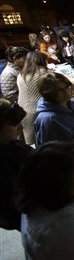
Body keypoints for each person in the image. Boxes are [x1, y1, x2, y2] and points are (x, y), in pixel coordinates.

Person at [34, 72, 74, 172]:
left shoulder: (70, 104)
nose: (67, 92)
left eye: (67, 87)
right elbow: (55, 158)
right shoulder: (48, 121)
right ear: (48, 93)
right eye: (60, 90)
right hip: (73, 172)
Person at [0, 98, 32, 231]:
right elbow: (16, 196)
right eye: (14, 125)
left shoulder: (10, 142)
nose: (21, 127)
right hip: (27, 214)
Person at [17, 51, 49, 145]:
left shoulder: (21, 74)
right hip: (36, 111)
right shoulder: (43, 73)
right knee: (40, 141)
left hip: (22, 109)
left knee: (28, 141)